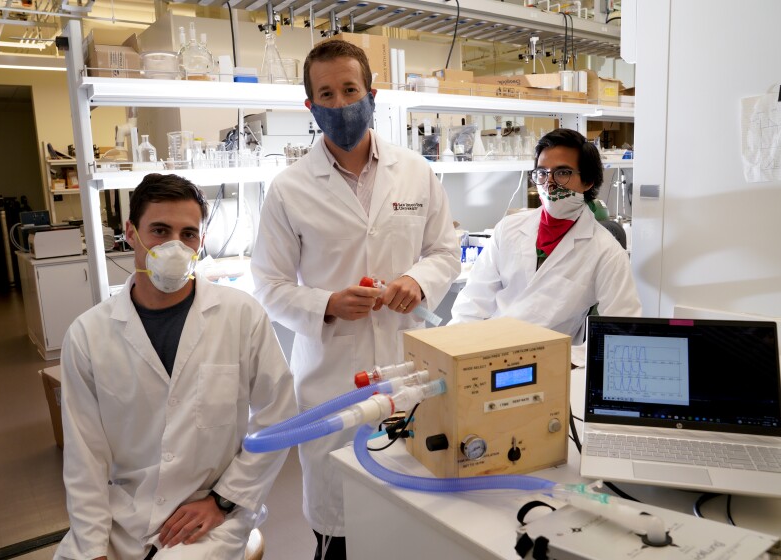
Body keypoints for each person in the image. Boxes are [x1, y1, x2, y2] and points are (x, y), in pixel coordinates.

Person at [250, 40, 461, 559]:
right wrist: (326, 304)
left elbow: (444, 251)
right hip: (332, 380)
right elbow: (269, 285)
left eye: (350, 89)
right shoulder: (289, 189)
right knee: (340, 529)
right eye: (326, 94)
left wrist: (418, 281)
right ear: (310, 105)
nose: (341, 103)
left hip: (407, 370)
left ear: (372, 93)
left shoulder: (415, 172)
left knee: (413, 520)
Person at [56, 174, 297, 560]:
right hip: (125, 513)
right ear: (131, 233)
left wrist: (224, 500)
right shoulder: (88, 334)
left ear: (201, 241)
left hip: (209, 512)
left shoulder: (240, 315)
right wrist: (92, 547)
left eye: (188, 234)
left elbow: (279, 416)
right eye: (159, 231)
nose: (175, 246)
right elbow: (85, 456)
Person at [450, 128, 641, 345]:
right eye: (542, 173)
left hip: (556, 357)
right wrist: (453, 346)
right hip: (493, 348)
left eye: (562, 173)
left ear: (588, 181)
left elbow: (620, 328)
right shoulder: (508, 229)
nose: (549, 183)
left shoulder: (606, 251)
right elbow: (473, 300)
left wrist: (573, 357)